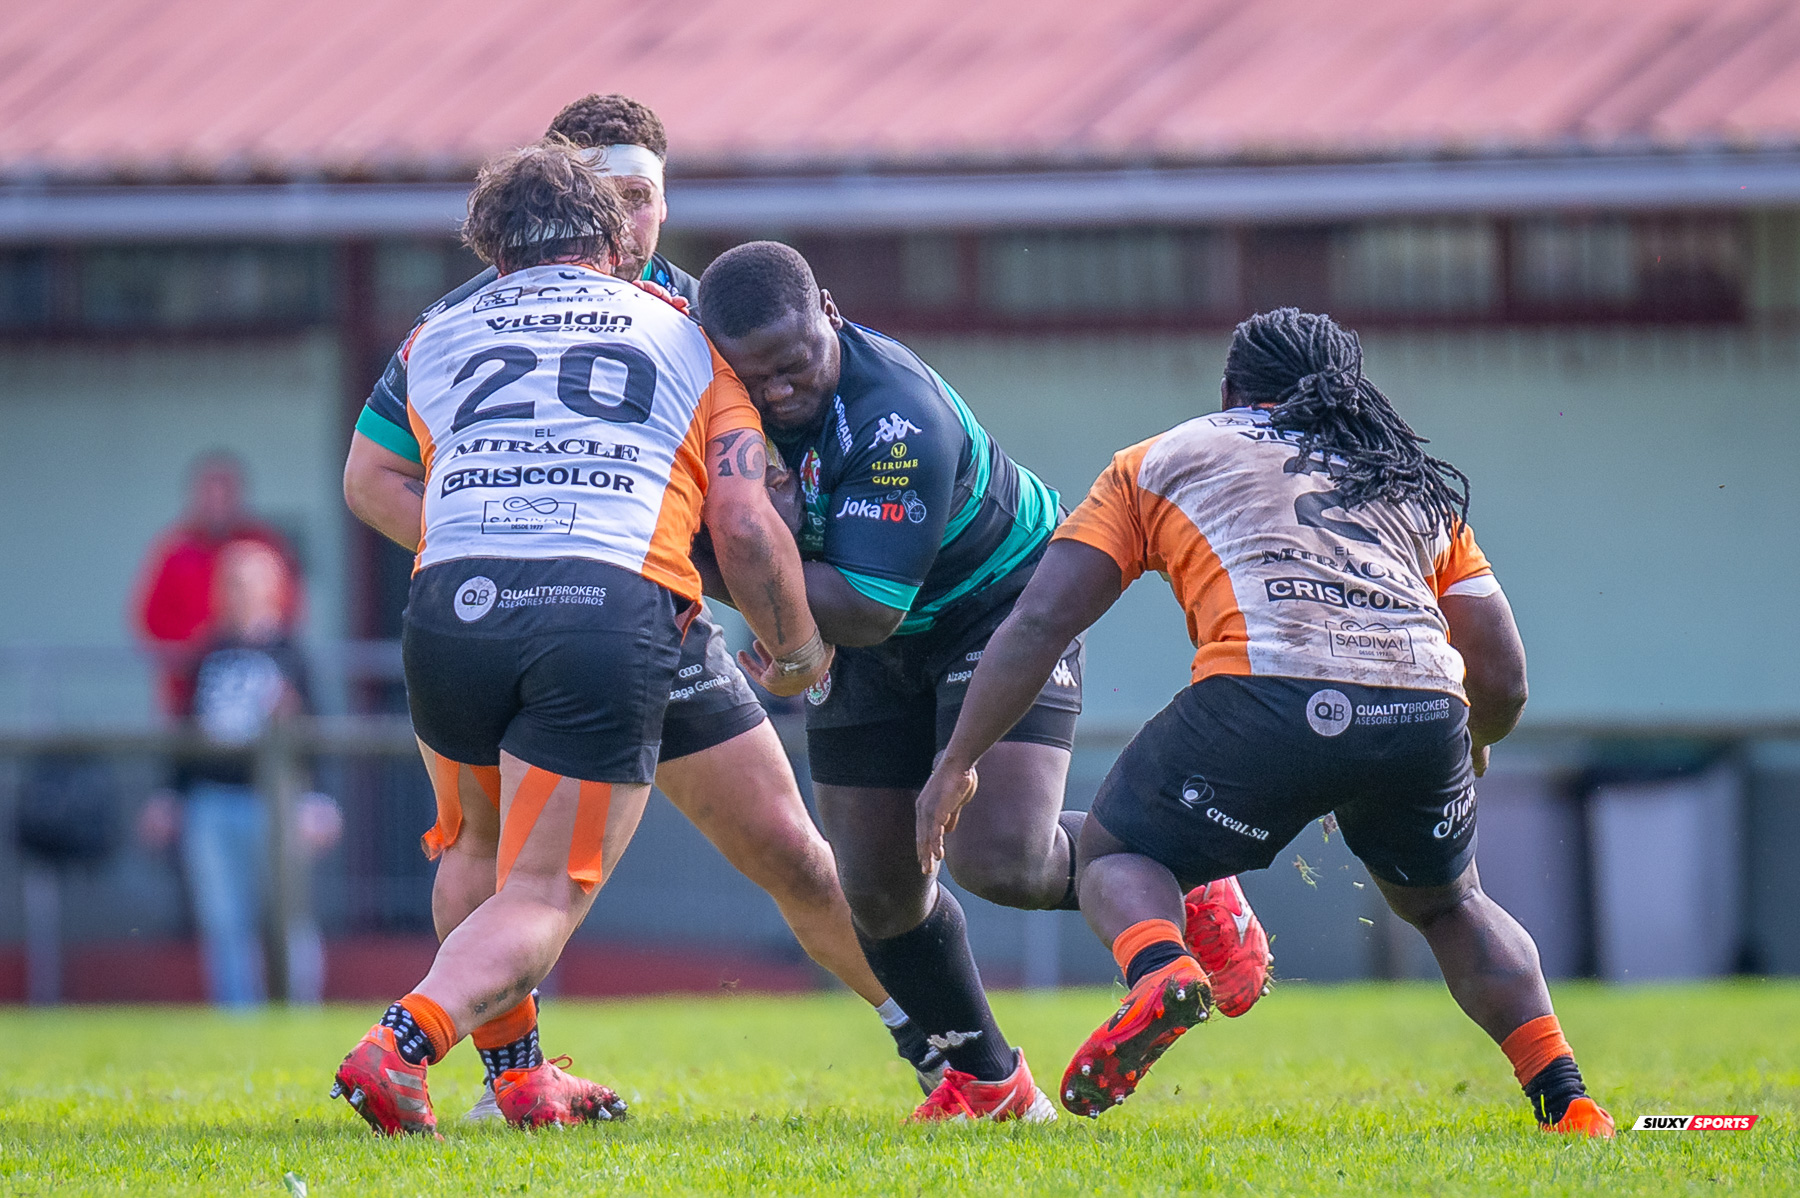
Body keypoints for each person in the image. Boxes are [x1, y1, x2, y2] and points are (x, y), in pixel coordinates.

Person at [342, 95, 928, 1111]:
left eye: (644, 194)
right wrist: (796, 643)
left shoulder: (696, 311)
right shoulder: (672, 333)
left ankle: (943, 1042)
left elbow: (372, 480)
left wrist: (488, 535)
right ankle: (451, 1056)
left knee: (788, 846)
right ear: (581, 205)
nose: (631, 213)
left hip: (557, 611)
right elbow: (751, 517)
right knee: (526, 881)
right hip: (609, 611)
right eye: (611, 194)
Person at [915, 308, 1615, 1136]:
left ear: (1228, 391)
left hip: (1263, 692)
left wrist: (958, 760)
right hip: (1424, 705)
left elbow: (1038, 625)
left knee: (1116, 849)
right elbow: (1503, 675)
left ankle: (1162, 967)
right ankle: (1567, 1101)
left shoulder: (1160, 458)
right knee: (1450, 903)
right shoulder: (1401, 480)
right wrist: (1473, 743)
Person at [697, 242, 1270, 1122]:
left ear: (832, 313)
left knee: (998, 858)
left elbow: (859, 607)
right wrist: (758, 568)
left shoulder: (897, 417)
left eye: (796, 362)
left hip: (992, 608)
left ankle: (1182, 879)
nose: (779, 391)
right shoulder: (718, 400)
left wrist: (735, 553)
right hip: (858, 639)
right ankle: (994, 1086)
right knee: (879, 887)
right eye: (755, 376)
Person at [138, 539, 339, 1005]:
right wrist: (169, 795)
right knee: (223, 919)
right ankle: (237, 1018)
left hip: (277, 802)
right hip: (211, 801)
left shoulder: (293, 654)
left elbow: (318, 735)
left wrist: (320, 801)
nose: (238, 590)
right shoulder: (206, 652)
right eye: (230, 581)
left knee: (289, 916)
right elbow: (185, 729)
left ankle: (297, 1011)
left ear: (274, 588)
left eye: (248, 580)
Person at [134, 453, 298, 719]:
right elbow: (153, 620)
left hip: (258, 687)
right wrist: (199, 647)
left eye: (224, 491)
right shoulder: (176, 550)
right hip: (189, 687)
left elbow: (289, 609)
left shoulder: (263, 543)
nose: (217, 501)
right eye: (209, 491)